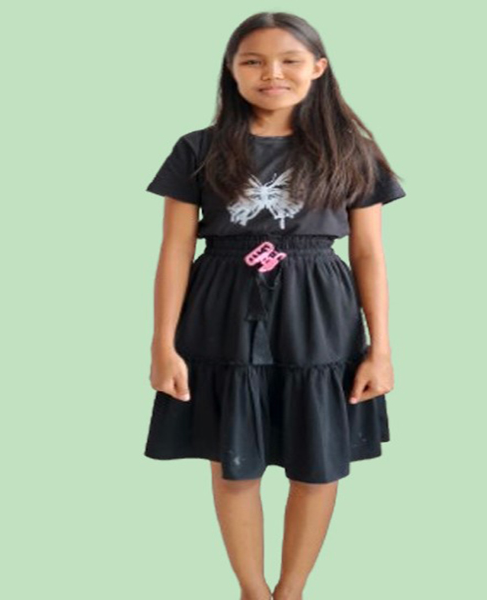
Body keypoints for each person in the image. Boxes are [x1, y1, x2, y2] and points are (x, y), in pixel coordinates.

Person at [143, 11, 407, 600]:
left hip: (320, 313)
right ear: (232, 70)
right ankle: (251, 590)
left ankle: (291, 591)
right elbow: (175, 250)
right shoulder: (198, 149)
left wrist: (381, 349)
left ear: (318, 68)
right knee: (233, 458)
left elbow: (368, 253)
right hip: (221, 311)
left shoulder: (351, 150)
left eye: (290, 60)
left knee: (318, 459)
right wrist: (163, 344)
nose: (272, 73)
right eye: (253, 61)